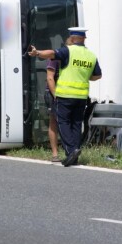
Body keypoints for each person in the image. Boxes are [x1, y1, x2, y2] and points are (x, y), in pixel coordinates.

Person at [29, 27, 102, 167]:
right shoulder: (91, 55)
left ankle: (71, 150)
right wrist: (84, 75)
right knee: (76, 124)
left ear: (73, 38)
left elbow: (51, 53)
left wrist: (37, 52)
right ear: (83, 39)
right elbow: (98, 75)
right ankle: (73, 153)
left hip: (65, 94)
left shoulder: (69, 50)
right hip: (81, 96)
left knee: (63, 123)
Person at [45, 36, 73, 163]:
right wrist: (55, 95)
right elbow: (50, 77)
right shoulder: (56, 57)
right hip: (54, 93)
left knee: (69, 122)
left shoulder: (74, 58)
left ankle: (70, 151)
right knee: (54, 122)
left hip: (68, 94)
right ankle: (55, 154)